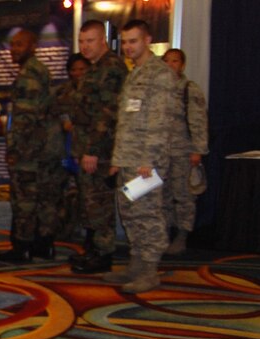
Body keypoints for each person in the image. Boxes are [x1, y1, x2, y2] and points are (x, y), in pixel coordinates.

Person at [106, 20, 177, 293]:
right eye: (124, 42)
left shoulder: (159, 75)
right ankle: (136, 265)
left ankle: (150, 270)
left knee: (148, 214)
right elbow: (127, 121)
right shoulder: (134, 73)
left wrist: (149, 160)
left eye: (133, 41)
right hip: (128, 159)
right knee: (131, 214)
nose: (128, 47)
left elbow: (160, 122)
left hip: (146, 162)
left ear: (147, 39)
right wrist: (117, 159)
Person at [69, 20, 127, 274]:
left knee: (99, 202)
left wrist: (93, 149)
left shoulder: (111, 68)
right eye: (82, 41)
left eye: (90, 41)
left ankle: (103, 254)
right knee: (89, 201)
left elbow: (108, 113)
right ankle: (92, 249)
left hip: (100, 151)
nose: (85, 46)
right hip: (87, 148)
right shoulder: (94, 68)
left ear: (103, 40)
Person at [0, 29, 58, 262]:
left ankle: (21, 248)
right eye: (12, 44)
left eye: (20, 45)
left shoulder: (29, 75)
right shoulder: (39, 70)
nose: (14, 49)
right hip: (43, 150)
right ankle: (44, 246)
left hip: (29, 152)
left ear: (33, 46)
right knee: (43, 200)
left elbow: (25, 119)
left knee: (24, 201)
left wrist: (15, 151)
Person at [161, 48, 208, 255]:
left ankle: (182, 234)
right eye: (167, 61)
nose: (171, 65)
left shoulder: (189, 89)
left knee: (184, 196)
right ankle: (165, 233)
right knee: (163, 195)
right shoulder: (159, 90)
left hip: (183, 152)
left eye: (175, 61)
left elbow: (198, 122)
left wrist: (197, 150)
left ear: (182, 65)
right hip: (161, 153)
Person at [49, 53, 90, 242]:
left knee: (87, 193)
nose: (78, 73)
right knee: (61, 192)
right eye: (74, 69)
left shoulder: (95, 90)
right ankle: (64, 228)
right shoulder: (61, 91)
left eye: (82, 69)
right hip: (62, 149)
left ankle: (87, 230)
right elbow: (52, 112)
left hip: (87, 150)